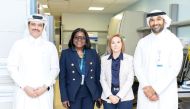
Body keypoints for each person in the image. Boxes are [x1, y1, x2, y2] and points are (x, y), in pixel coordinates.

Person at [7, 14, 60, 109]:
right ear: (28, 26)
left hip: (44, 94)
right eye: (33, 24)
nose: (36, 27)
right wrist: (25, 87)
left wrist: (44, 87)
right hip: (23, 93)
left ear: (43, 27)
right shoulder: (18, 45)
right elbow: (12, 68)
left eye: (40, 25)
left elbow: (55, 69)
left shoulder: (50, 47)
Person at [134, 10, 183, 109]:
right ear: (149, 23)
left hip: (165, 92)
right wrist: (147, 88)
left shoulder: (174, 41)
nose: (155, 23)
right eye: (152, 20)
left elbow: (174, 69)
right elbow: (137, 66)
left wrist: (155, 89)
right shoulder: (142, 42)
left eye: (158, 19)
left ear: (164, 21)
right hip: (145, 92)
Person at [59, 28, 102, 109]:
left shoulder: (93, 53)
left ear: (86, 39)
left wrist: (99, 94)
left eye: (82, 37)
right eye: (76, 37)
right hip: (73, 92)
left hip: (90, 92)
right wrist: (64, 97)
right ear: (72, 39)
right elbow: (62, 78)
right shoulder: (65, 54)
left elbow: (98, 75)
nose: (79, 39)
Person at [100, 34, 134, 109]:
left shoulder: (130, 59)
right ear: (110, 45)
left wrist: (119, 96)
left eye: (118, 42)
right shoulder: (104, 60)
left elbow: (130, 80)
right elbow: (102, 79)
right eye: (113, 43)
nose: (116, 45)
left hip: (125, 96)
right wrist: (110, 95)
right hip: (108, 96)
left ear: (122, 44)